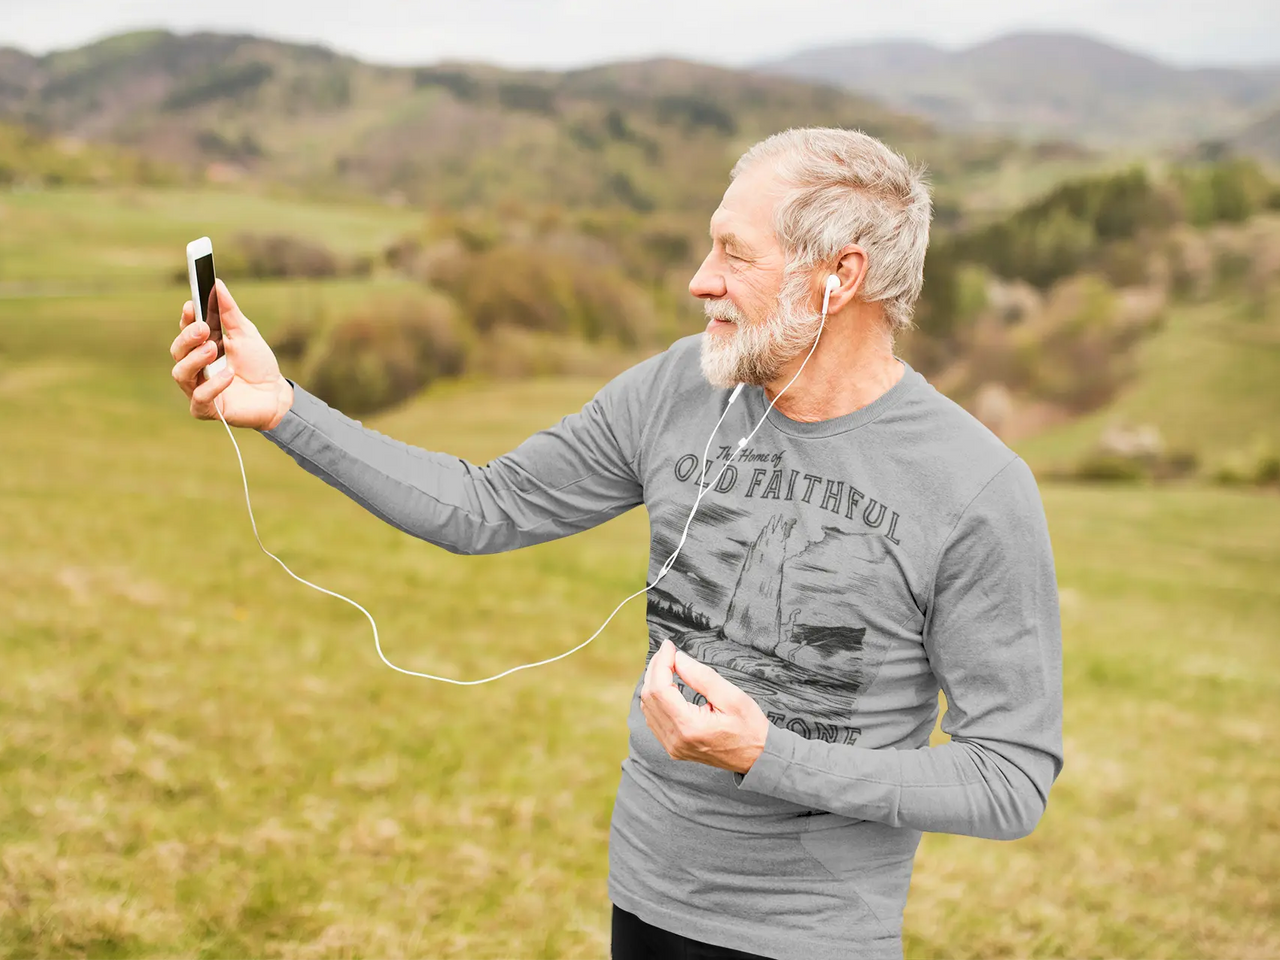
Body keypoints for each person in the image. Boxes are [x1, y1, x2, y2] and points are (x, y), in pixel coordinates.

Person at [167, 126, 1064, 960]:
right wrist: (284, 409)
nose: (699, 280)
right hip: (644, 895)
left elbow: (1008, 778)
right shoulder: (677, 388)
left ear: (839, 276)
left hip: (814, 933)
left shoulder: (975, 488)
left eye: (733, 253)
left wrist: (767, 755)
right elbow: (485, 504)